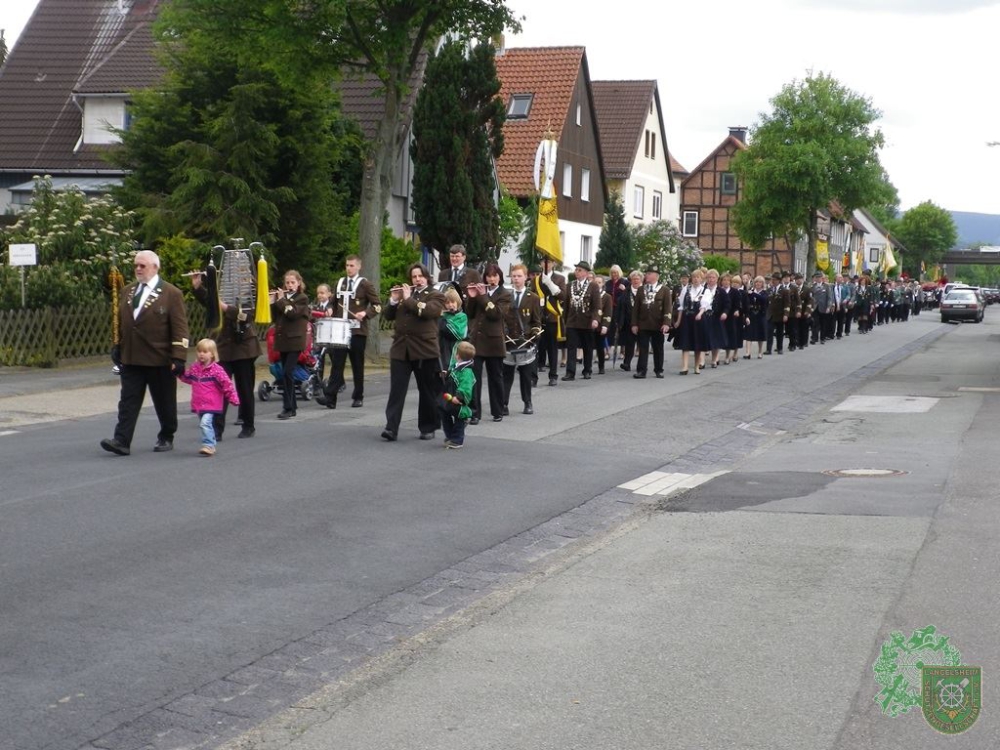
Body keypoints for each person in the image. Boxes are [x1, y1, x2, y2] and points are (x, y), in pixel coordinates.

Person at [101, 250, 190, 456]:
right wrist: (118, 346)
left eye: (143, 265)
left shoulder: (171, 293)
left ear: (155, 267)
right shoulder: (128, 291)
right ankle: (121, 440)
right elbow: (124, 323)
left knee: (164, 402)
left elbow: (180, 328)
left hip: (160, 358)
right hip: (132, 357)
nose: (138, 269)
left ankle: (167, 435)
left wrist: (178, 356)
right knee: (128, 401)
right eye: (136, 266)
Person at [190, 271, 261, 440]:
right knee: (219, 388)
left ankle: (248, 425)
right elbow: (211, 302)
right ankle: (217, 429)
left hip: (244, 348)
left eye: (243, 279)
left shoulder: (252, 296)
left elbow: (247, 317)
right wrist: (198, 287)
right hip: (224, 348)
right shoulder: (226, 293)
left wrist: (226, 307)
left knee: (245, 389)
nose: (239, 282)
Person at [382, 263, 446, 441]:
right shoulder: (404, 295)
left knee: (426, 390)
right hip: (401, 348)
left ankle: (428, 427)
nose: (417, 280)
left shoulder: (436, 295)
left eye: (420, 276)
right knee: (397, 390)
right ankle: (391, 427)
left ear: (427, 277)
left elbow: (428, 312)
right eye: (414, 277)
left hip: (424, 349)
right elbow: (388, 316)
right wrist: (394, 300)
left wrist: (408, 299)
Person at [316, 255, 381, 409]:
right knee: (337, 364)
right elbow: (333, 301)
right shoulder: (340, 283)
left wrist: (365, 314)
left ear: (359, 266)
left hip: (357, 331)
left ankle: (358, 396)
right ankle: (331, 398)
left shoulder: (365, 284)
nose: (349, 268)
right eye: (347, 265)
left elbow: (377, 305)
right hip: (339, 331)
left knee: (357, 364)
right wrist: (330, 308)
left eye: (352, 265)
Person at [176, 339, 240, 456]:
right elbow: (188, 378)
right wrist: (179, 373)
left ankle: (208, 445)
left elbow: (227, 385)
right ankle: (211, 442)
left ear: (212, 354)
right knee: (205, 424)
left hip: (212, 403)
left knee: (205, 423)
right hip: (199, 403)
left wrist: (233, 398)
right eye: (199, 351)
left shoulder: (217, 370)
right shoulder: (195, 368)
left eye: (205, 351)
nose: (201, 354)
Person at [466, 263, 511, 423]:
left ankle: (497, 410)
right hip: (477, 340)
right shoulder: (480, 292)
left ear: (500, 277)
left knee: (495, 377)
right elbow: (469, 313)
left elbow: (495, 314)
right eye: (489, 276)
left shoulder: (505, 294)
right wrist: (472, 296)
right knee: (474, 378)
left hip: (494, 342)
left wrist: (483, 296)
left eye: (495, 276)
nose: (491, 279)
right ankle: (474, 412)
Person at [269, 270, 311, 419]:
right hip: (283, 340)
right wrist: (272, 302)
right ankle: (292, 406)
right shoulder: (283, 298)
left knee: (287, 372)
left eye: (293, 282)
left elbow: (291, 313)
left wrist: (281, 301)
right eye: (287, 282)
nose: (290, 285)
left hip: (295, 341)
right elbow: (275, 317)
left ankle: (287, 407)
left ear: (299, 283)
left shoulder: (302, 298)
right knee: (285, 373)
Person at [502, 264, 542, 415]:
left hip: (525, 342)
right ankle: (504, 403)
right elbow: (502, 319)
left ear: (526, 277)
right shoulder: (506, 297)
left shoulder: (533, 298)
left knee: (525, 376)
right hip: (509, 341)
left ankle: (528, 402)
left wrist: (535, 334)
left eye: (519, 276)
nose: (516, 279)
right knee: (507, 375)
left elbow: (536, 322)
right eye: (514, 276)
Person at [561, 260, 601, 381]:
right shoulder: (570, 285)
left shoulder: (593, 286)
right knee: (571, 347)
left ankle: (587, 370)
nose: (576, 272)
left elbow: (596, 305)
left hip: (587, 321)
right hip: (572, 321)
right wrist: (565, 320)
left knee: (587, 347)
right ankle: (570, 372)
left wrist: (595, 319)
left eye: (579, 270)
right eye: (576, 270)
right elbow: (566, 305)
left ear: (586, 273)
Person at [631, 264, 672, 379]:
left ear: (656, 276)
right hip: (643, 323)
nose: (646, 275)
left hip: (658, 324)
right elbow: (636, 309)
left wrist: (666, 323)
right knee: (643, 348)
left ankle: (659, 370)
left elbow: (668, 308)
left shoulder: (664, 290)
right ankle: (641, 370)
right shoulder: (641, 289)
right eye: (647, 273)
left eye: (649, 274)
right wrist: (634, 324)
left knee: (658, 348)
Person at [439, 340, 477, 449]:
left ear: (458, 356)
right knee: (443, 410)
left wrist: (459, 397)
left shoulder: (466, 372)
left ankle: (457, 440)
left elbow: (465, 386)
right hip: (450, 395)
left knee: (459, 417)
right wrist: (447, 374)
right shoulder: (458, 366)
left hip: (458, 399)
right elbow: (453, 374)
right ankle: (450, 435)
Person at [533, 261, 566, 385]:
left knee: (552, 349)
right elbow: (532, 296)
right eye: (543, 261)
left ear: (553, 264)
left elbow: (563, 296)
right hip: (538, 318)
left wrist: (550, 284)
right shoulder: (536, 279)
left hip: (552, 317)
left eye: (550, 262)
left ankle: (553, 375)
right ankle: (533, 377)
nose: (546, 264)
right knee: (536, 349)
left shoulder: (560, 278)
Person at [676, 268, 706, 374]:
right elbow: (681, 306)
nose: (695, 279)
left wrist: (700, 314)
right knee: (685, 343)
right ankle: (684, 367)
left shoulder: (705, 291)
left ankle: (697, 366)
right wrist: (678, 321)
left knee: (697, 344)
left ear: (702, 279)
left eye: (698, 277)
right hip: (687, 319)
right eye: (694, 277)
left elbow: (705, 306)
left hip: (699, 320)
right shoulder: (686, 289)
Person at [617, 270, 643, 371]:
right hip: (628, 322)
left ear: (641, 280)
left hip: (642, 322)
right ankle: (626, 363)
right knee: (629, 344)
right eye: (633, 279)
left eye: (637, 279)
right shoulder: (626, 292)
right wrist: (619, 321)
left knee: (642, 344)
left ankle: (641, 365)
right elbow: (620, 306)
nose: (635, 281)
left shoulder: (645, 291)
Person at [438, 287, 468, 370]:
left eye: (453, 302)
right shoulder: (442, 316)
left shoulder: (462, 316)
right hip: (440, 352)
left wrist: (441, 320)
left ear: (457, 302)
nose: (450, 305)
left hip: (453, 354)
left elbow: (458, 334)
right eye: (447, 303)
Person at [765, 271, 789, 355]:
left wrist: (786, 314)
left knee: (779, 333)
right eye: (772, 279)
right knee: (769, 333)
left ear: (779, 280)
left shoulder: (785, 291)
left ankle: (779, 348)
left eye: (775, 280)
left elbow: (787, 303)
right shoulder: (769, 290)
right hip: (770, 314)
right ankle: (768, 349)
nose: (773, 281)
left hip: (780, 314)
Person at [593, 275, 614, 374]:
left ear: (603, 284)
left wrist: (605, 325)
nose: (597, 284)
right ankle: (587, 367)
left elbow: (608, 312)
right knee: (587, 347)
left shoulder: (607, 297)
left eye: (599, 282)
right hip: (589, 325)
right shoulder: (589, 294)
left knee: (600, 347)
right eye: (595, 282)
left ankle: (601, 366)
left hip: (601, 326)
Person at [744, 275, 768, 359]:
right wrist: (746, 316)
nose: (758, 284)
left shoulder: (764, 292)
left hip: (760, 314)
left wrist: (753, 293)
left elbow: (763, 299)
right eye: (757, 282)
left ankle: (760, 352)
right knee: (748, 334)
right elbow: (746, 304)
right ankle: (748, 352)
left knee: (760, 335)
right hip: (751, 314)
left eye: (760, 282)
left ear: (762, 284)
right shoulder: (750, 291)